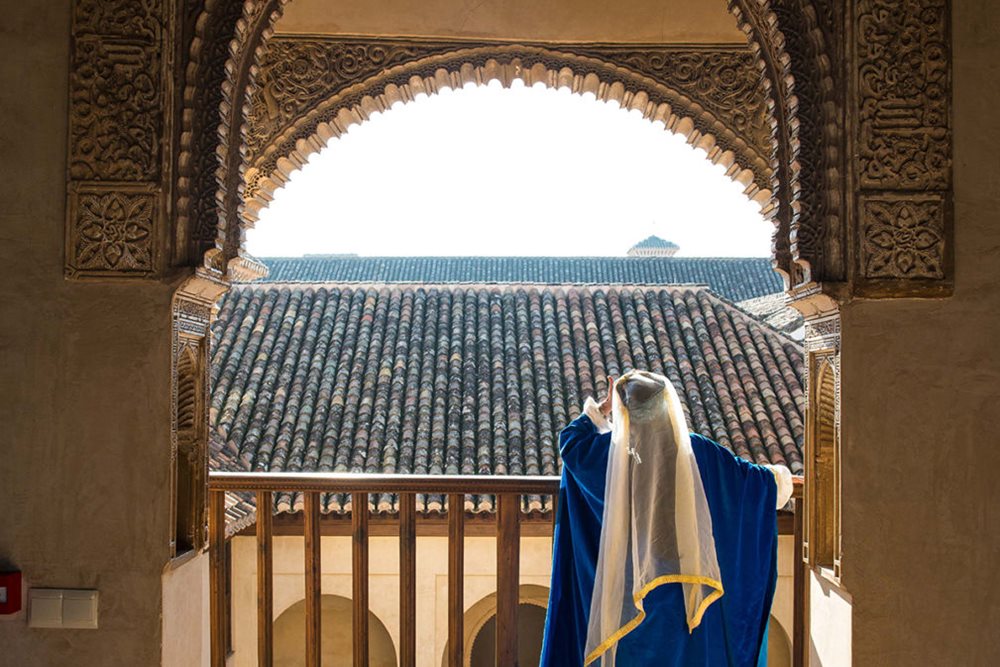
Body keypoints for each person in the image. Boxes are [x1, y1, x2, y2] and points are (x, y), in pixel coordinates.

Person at [540, 371, 793, 667]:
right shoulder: (699, 452)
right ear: (667, 406)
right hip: (682, 604)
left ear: (625, 412)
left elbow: (571, 444)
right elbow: (763, 487)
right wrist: (786, 477)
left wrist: (602, 408)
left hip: (629, 602)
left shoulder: (613, 457)